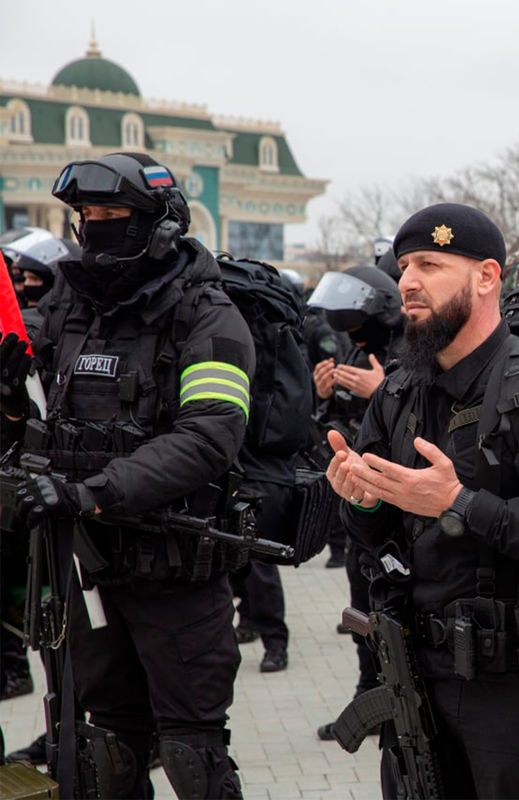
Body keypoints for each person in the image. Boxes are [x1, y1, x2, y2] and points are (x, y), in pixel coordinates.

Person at [327, 202, 519, 798]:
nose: (407, 281)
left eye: (430, 265)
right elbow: (376, 536)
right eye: (404, 265)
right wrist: (361, 502)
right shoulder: (400, 392)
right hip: (417, 677)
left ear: (487, 276)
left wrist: (458, 502)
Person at [8, 152, 251, 797]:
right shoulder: (66, 307)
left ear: (162, 224)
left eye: (114, 215)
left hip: (174, 573)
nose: (97, 227)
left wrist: (89, 493)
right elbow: (34, 407)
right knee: (106, 747)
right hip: (85, 576)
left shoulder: (208, 315)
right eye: (88, 217)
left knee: (191, 751)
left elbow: (207, 438)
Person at [307, 264, 406, 740]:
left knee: (398, 613)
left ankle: (401, 706)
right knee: (362, 607)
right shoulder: (355, 350)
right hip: (359, 504)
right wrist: (323, 395)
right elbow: (327, 430)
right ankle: (369, 696)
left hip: (403, 508)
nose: (351, 334)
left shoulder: (408, 351)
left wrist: (380, 389)